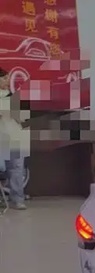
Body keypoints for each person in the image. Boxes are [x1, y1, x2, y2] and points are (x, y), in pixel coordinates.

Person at [0, 68, 29, 209]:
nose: (7, 81)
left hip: (15, 136)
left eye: (7, 78)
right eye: (4, 78)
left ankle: (17, 198)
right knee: (3, 169)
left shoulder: (13, 96)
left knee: (17, 168)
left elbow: (24, 117)